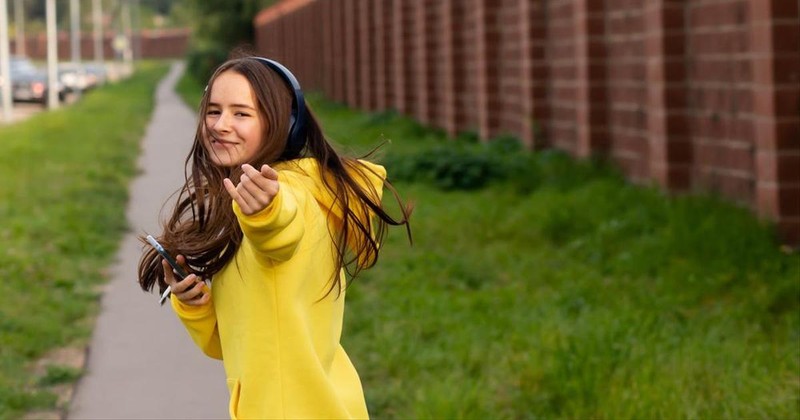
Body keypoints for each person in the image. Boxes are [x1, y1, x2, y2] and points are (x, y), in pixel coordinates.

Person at [137, 55, 412, 419]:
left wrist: (265, 213)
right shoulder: (249, 196)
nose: (221, 125)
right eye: (214, 110)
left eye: (241, 113)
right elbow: (233, 345)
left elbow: (281, 234)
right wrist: (195, 305)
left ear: (284, 123)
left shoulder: (287, 193)